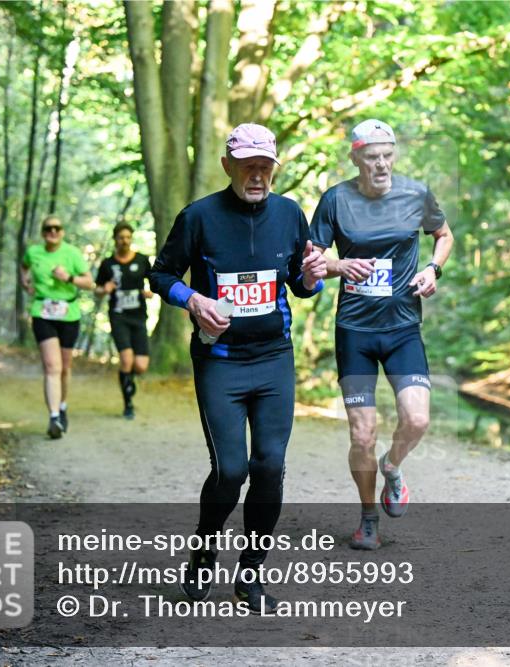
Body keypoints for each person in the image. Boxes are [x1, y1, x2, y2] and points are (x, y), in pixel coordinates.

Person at [150, 123, 327, 614]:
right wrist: (194, 300)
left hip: (273, 360)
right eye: (248, 166)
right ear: (227, 165)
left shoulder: (289, 214)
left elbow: (300, 283)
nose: (257, 175)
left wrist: (313, 278)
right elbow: (161, 275)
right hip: (220, 363)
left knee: (269, 468)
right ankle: (204, 550)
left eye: (265, 167)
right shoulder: (199, 217)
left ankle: (250, 577)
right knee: (230, 471)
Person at [310, 119, 454, 550]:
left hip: (402, 329)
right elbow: (311, 260)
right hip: (355, 332)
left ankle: (392, 466)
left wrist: (433, 269)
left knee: (417, 419)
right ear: (355, 158)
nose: (381, 164)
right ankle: (368, 517)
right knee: (361, 435)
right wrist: (339, 266)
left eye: (388, 155)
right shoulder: (335, 200)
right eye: (372, 157)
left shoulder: (416, 194)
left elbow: (443, 235)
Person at [20, 216, 94, 439]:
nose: (53, 231)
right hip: (42, 313)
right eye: (48, 228)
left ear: (62, 232)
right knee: (52, 366)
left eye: (57, 228)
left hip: (69, 315)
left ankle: (62, 406)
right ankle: (53, 418)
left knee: (64, 367)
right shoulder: (33, 252)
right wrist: (25, 282)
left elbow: (90, 283)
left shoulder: (72, 253)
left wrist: (68, 277)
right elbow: (24, 267)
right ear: (43, 233)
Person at [95, 222, 154, 419]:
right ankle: (128, 404)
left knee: (141, 366)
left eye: (128, 237)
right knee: (126, 360)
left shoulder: (142, 260)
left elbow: (155, 281)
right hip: (118, 316)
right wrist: (104, 289)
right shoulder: (107, 264)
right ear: (115, 239)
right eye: (121, 237)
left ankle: (128, 380)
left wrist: (149, 292)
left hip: (139, 316)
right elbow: (97, 289)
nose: (125, 241)